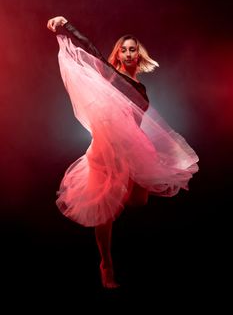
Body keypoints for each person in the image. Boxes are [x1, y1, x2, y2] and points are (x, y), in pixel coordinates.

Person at [47, 16, 199, 289]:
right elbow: (90, 48)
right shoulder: (110, 75)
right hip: (107, 147)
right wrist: (66, 25)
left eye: (133, 49)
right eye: (124, 49)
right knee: (103, 207)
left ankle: (114, 198)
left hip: (133, 146)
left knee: (138, 201)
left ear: (138, 55)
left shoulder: (141, 87)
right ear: (118, 53)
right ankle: (106, 264)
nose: (128, 53)